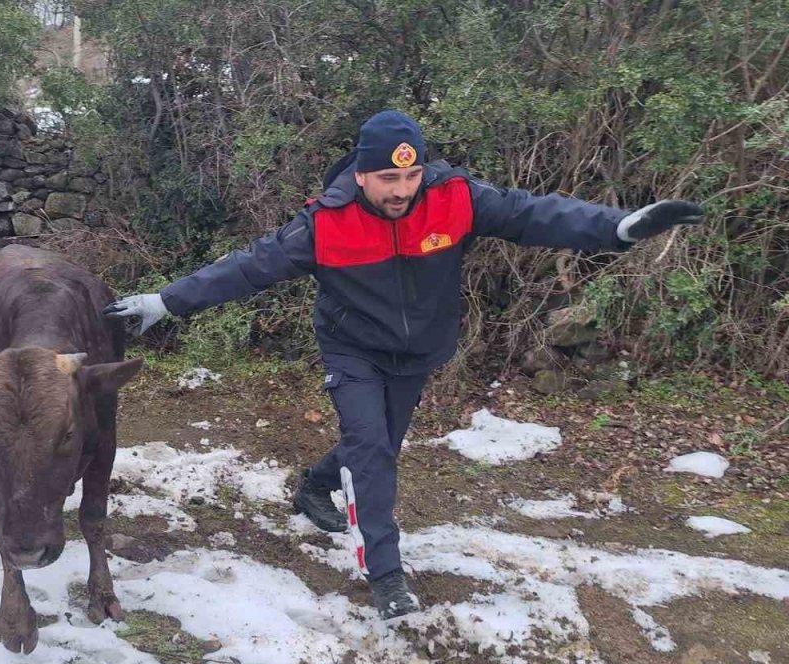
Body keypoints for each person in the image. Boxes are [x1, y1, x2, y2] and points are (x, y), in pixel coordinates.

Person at [104, 110, 704, 619]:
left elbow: (535, 214)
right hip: (353, 349)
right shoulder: (325, 223)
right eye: (389, 177)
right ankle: (386, 577)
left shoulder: (455, 200)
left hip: (418, 352)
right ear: (360, 173)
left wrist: (619, 228)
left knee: (380, 442)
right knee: (371, 449)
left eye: (412, 174)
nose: (402, 189)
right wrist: (165, 301)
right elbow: (245, 267)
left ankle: (314, 484)